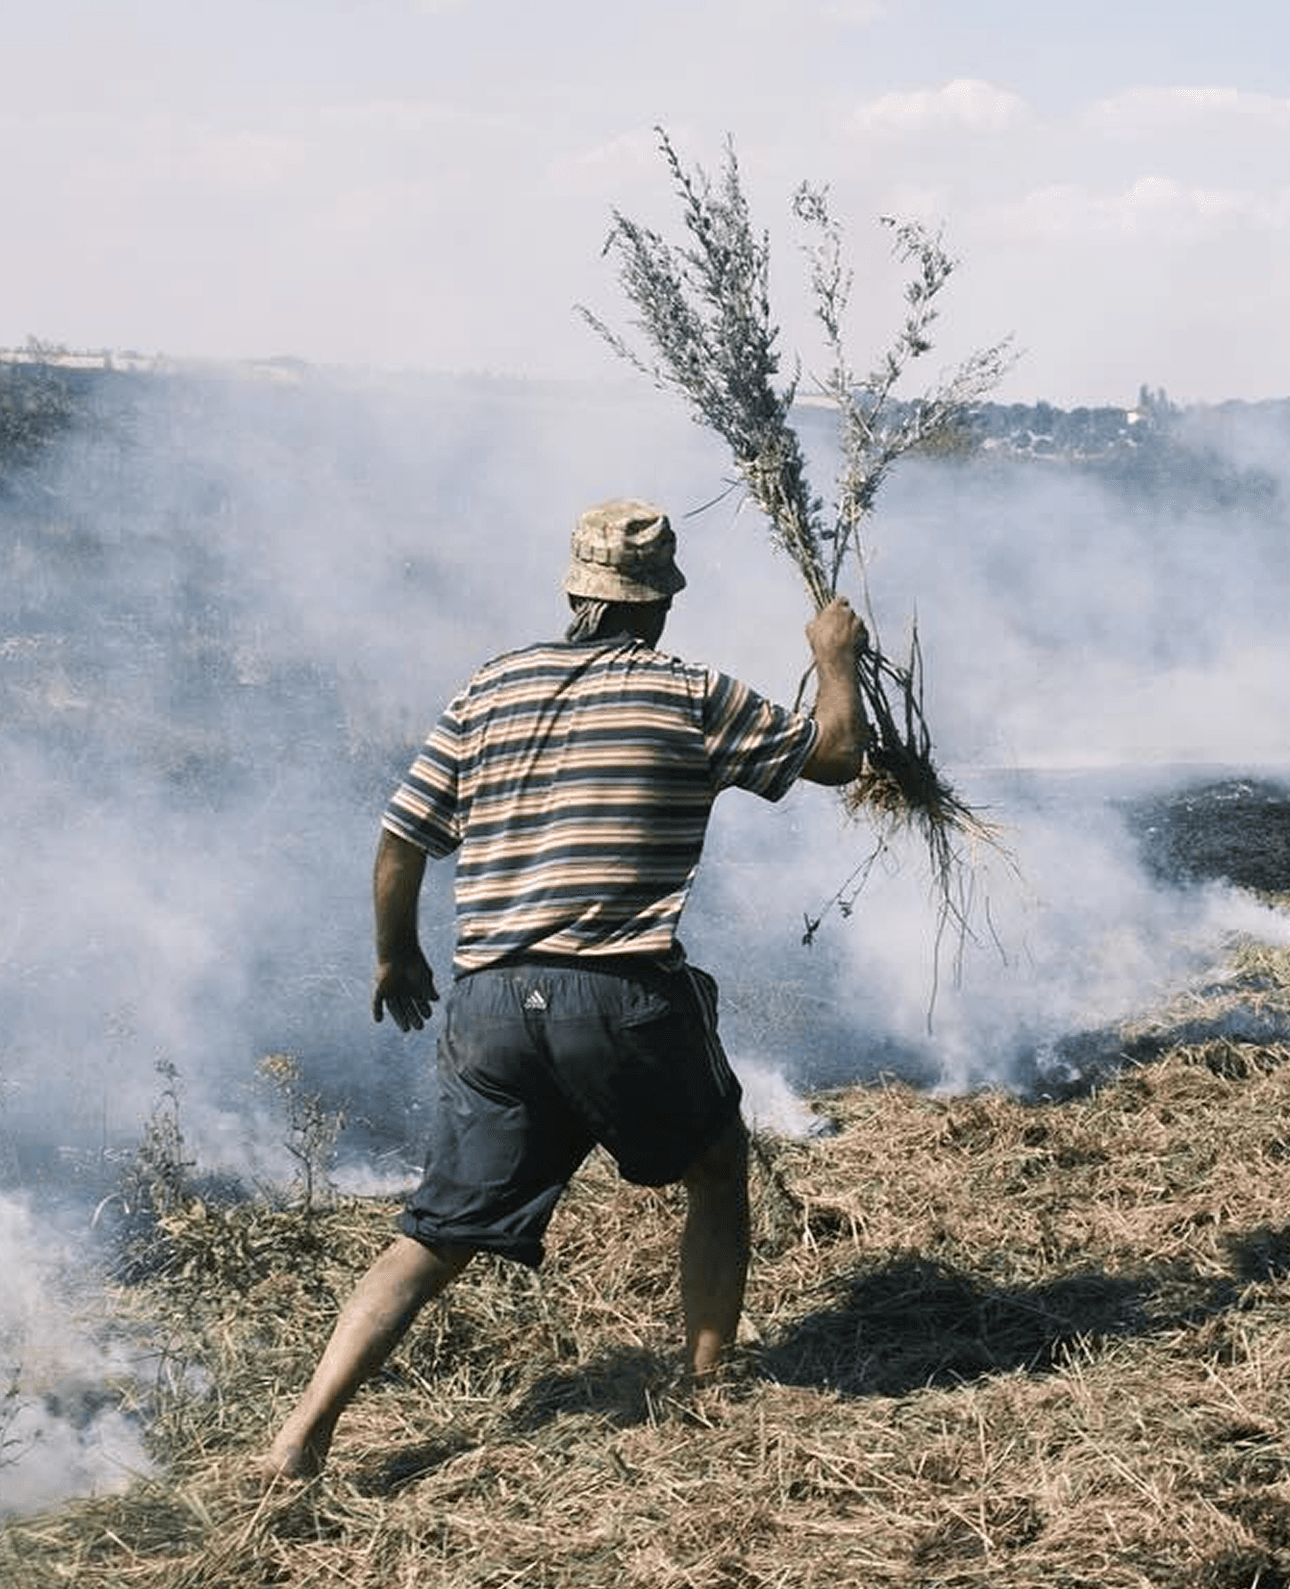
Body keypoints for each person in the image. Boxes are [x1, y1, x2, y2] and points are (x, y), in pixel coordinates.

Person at [260, 497, 867, 1480]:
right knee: (715, 1163)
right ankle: (705, 1395)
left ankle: (301, 1430)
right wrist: (834, 655)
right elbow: (837, 755)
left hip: (489, 1003)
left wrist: (396, 956)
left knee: (437, 1229)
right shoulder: (688, 690)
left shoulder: (491, 686)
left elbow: (401, 835)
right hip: (617, 995)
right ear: (660, 603)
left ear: (575, 592)